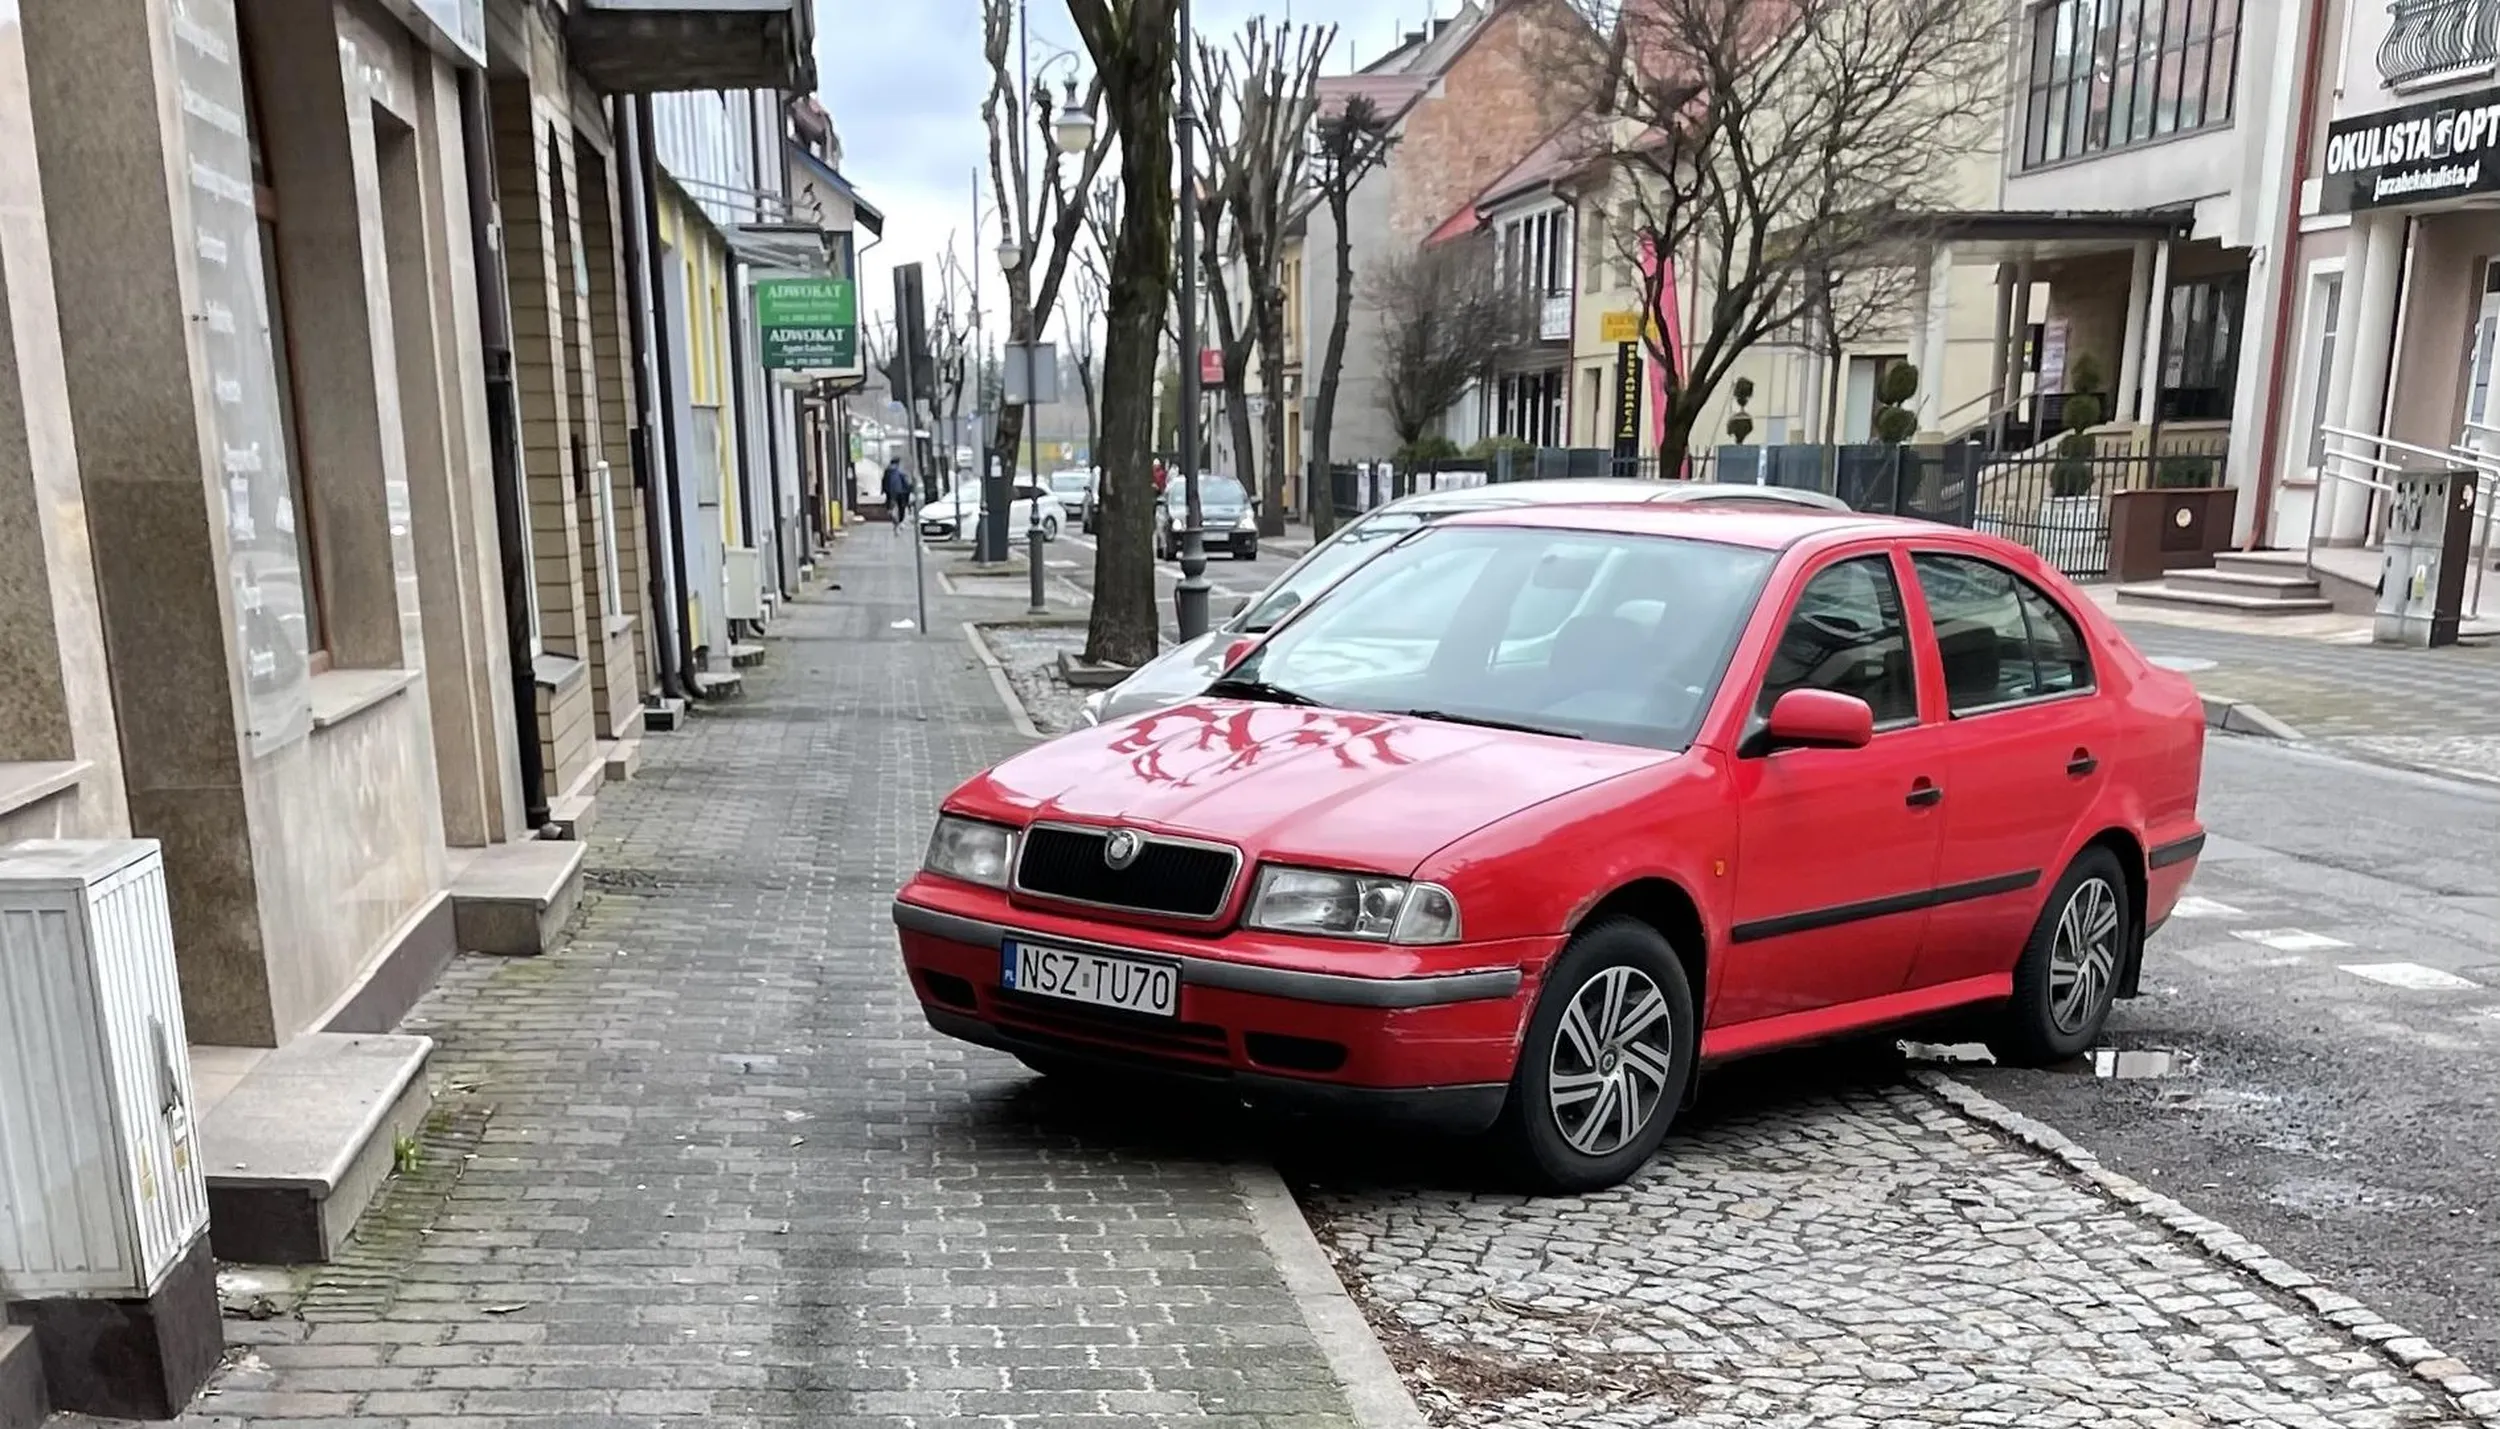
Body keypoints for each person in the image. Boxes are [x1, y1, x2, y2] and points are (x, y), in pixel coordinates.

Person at [882, 458, 914, 532]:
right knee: (901, 508)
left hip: (890, 492)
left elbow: (883, 481)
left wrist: (883, 490)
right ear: (898, 463)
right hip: (901, 492)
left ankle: (894, 519)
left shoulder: (887, 471)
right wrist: (909, 489)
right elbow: (905, 482)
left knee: (890, 507)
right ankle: (899, 522)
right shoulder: (900, 471)